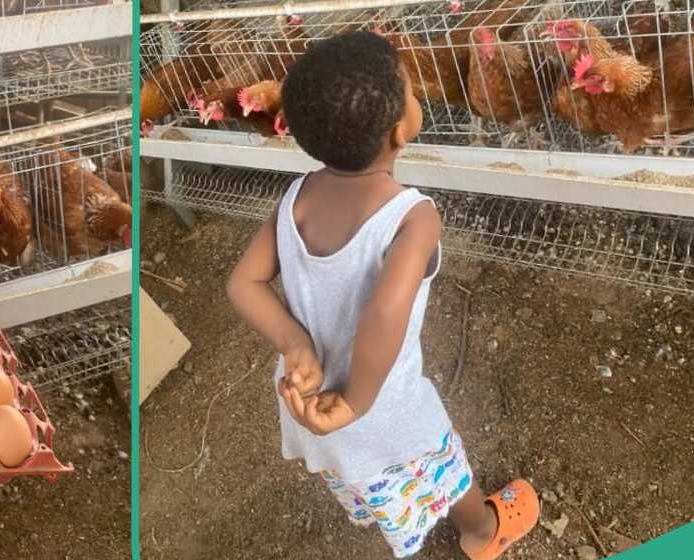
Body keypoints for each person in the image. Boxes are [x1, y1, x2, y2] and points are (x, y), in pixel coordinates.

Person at [226, 31, 538, 559]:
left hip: (305, 398)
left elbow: (243, 282)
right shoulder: (413, 218)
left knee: (363, 473)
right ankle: (482, 530)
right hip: (379, 406)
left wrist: (298, 346)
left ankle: (389, 505)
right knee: (440, 464)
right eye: (413, 93)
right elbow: (385, 310)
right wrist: (357, 400)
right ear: (400, 130)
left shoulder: (295, 198)